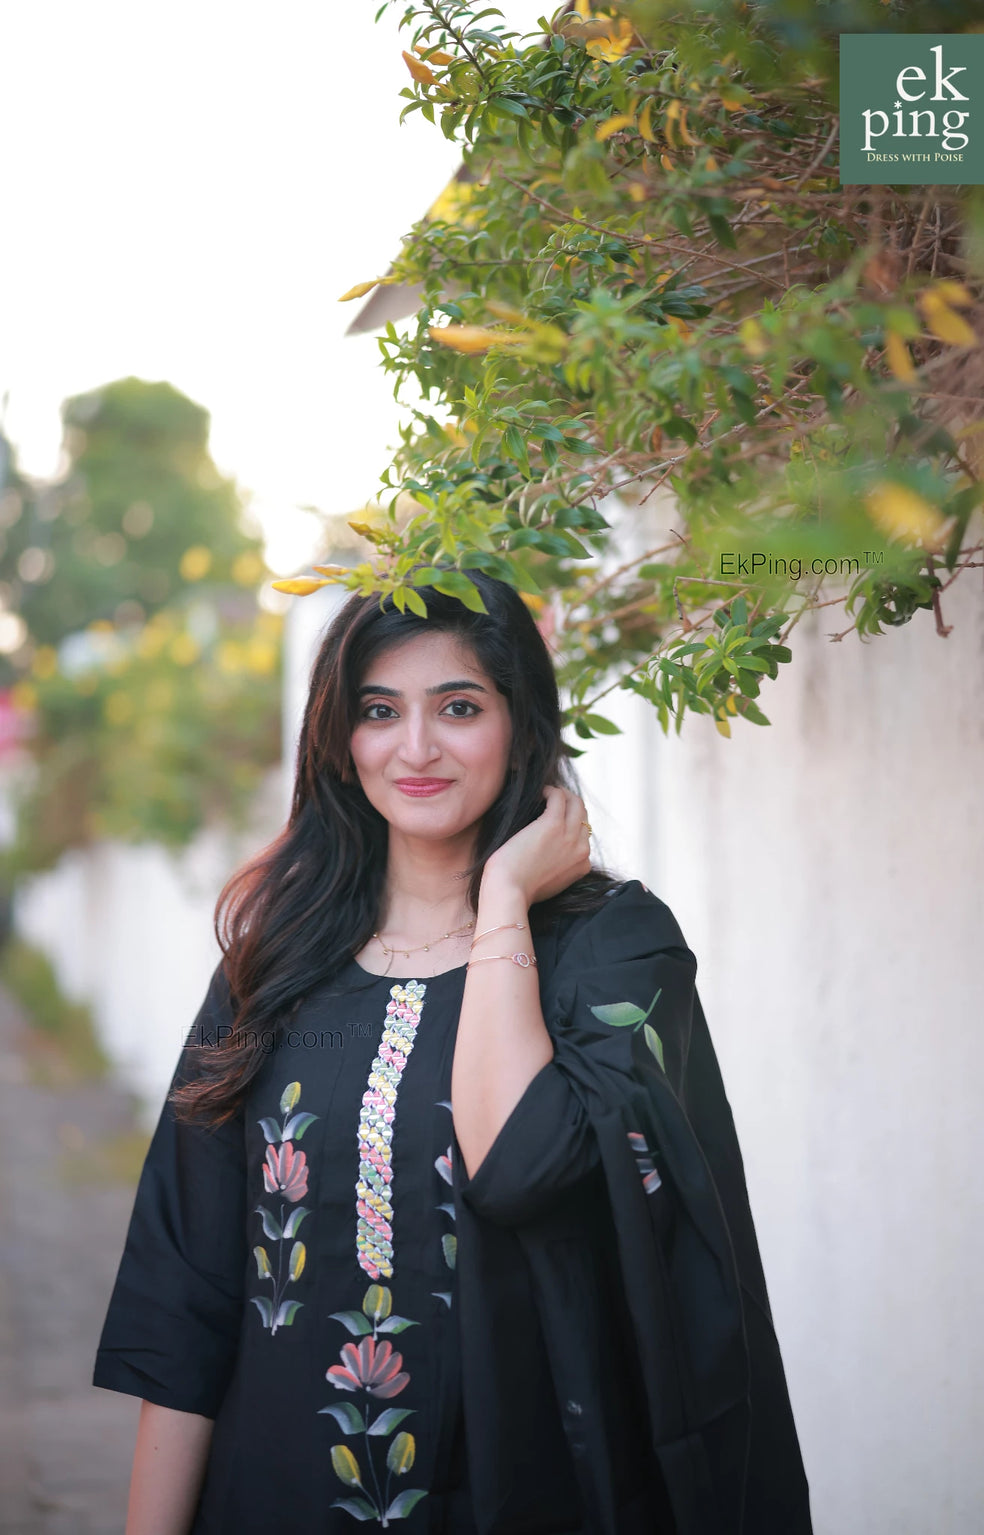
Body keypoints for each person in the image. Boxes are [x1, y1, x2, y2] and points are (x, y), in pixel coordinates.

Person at [93, 569, 813, 1535]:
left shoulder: (612, 951)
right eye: (380, 710)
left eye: (459, 706)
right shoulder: (273, 966)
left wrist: (505, 900)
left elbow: (519, 1167)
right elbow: (183, 1302)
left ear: (519, 724)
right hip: (273, 1499)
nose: (417, 747)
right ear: (341, 742)